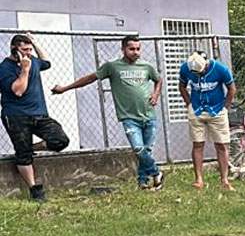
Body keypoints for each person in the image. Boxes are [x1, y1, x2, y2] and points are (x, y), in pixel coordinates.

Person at [51, 36, 164, 190]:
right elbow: (90, 78)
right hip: (129, 117)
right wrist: (65, 88)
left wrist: (155, 94)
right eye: (132, 49)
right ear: (123, 49)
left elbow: (158, 79)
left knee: (146, 151)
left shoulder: (146, 66)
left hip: (149, 115)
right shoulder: (112, 67)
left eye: (138, 49)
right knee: (138, 149)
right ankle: (157, 173)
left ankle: (142, 182)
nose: (136, 52)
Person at [0, 33, 69, 201]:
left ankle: (31, 149)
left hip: (39, 113)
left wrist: (36, 43)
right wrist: (24, 69)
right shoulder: (4, 68)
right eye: (24, 50)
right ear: (14, 49)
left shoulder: (34, 60)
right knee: (23, 155)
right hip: (16, 116)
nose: (28, 53)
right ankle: (34, 189)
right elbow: (18, 90)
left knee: (60, 140)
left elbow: (46, 62)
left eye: (29, 49)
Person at [180, 51, 236, 189]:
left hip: (217, 110)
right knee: (198, 144)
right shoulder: (185, 68)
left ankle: (224, 180)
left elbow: (231, 88)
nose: (198, 75)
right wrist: (189, 105)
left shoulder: (220, 69)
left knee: (221, 145)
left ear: (206, 64)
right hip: (197, 110)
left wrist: (225, 107)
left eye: (201, 72)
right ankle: (198, 179)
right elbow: (182, 86)